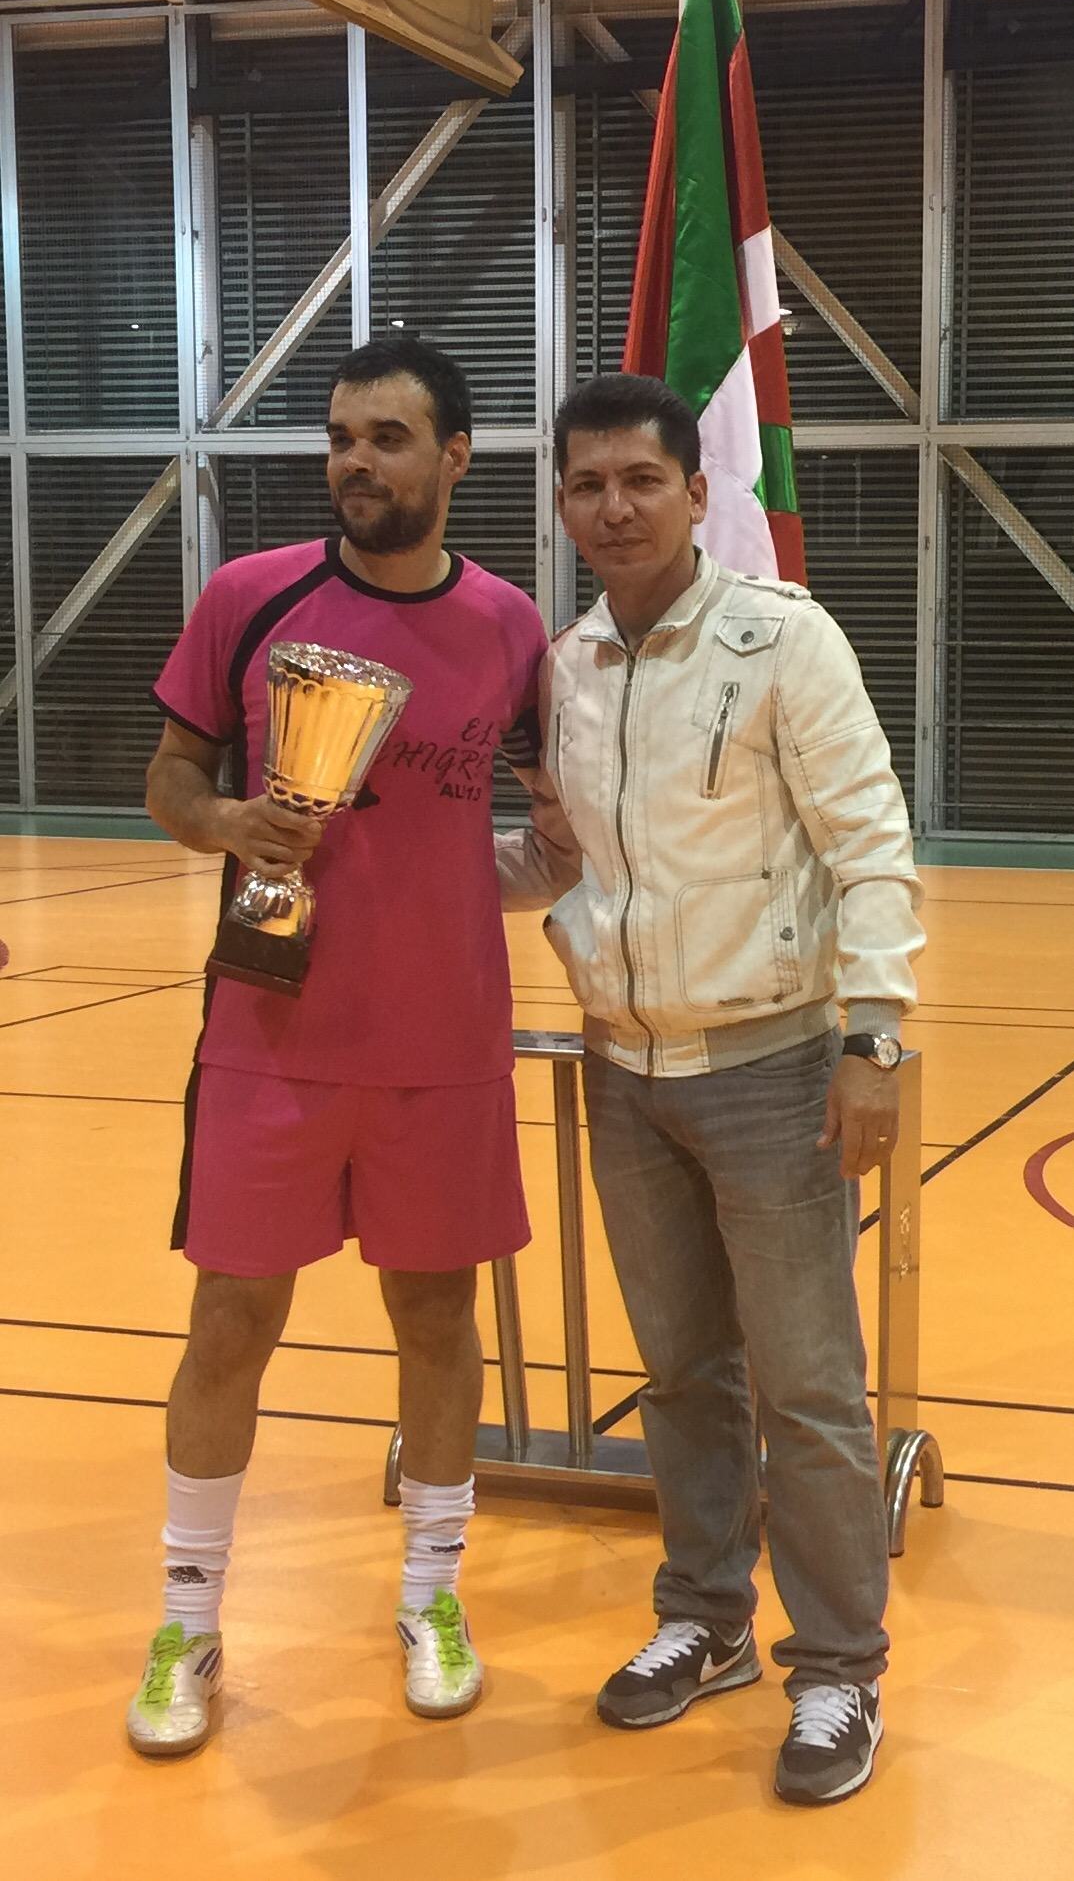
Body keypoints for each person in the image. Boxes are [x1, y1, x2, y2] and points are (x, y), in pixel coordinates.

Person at [496, 372, 925, 1807]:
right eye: (585, 485)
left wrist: (874, 1037)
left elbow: (867, 835)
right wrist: (383, 871)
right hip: (624, 1072)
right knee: (681, 1374)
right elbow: (565, 864)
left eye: (638, 479)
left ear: (695, 491)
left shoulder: (780, 641)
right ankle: (706, 1620)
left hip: (772, 1068)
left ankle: (838, 1672)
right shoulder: (563, 670)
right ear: (560, 506)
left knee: (806, 1389)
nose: (611, 507)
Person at [127, 338, 547, 1757]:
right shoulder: (252, 600)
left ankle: (432, 1596)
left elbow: (546, 814)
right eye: (340, 438)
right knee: (230, 1325)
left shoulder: (510, 625)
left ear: (454, 460)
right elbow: (172, 778)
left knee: (436, 1326)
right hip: (270, 1035)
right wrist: (228, 824)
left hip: (442, 1047)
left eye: (386, 438)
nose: (354, 462)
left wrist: (534, 872)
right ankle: (187, 1616)